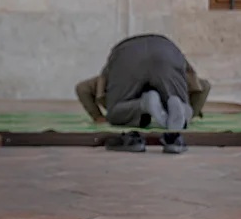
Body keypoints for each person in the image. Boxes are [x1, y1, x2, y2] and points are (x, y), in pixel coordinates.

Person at [75, 34, 211, 154]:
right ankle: (182, 109)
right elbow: (204, 86)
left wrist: (98, 117)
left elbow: (82, 88)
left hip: (126, 55)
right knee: (180, 104)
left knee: (116, 113)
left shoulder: (110, 75)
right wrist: (191, 114)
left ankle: (143, 104)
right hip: (167, 51)